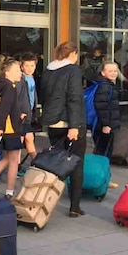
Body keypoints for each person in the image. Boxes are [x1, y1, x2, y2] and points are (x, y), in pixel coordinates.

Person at [40, 41, 87, 217]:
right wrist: (74, 126)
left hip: (53, 123)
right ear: (73, 54)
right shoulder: (73, 71)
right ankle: (75, 206)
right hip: (70, 122)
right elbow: (74, 98)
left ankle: (46, 198)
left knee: (56, 161)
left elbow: (44, 96)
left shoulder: (48, 71)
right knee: (76, 163)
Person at [0, 59, 26, 199]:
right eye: (16, 70)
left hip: (7, 126)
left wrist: (17, 115)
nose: (20, 72)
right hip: (9, 129)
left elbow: (6, 107)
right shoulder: (10, 87)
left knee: (7, 158)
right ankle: (10, 191)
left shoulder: (5, 86)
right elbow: (4, 109)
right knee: (14, 160)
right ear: (7, 73)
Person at [19, 52, 39, 168]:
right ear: (22, 66)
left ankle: (36, 163)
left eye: (32, 66)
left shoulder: (31, 79)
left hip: (29, 113)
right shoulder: (21, 79)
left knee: (29, 138)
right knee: (21, 140)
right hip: (22, 114)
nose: (30, 68)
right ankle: (17, 165)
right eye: (27, 66)